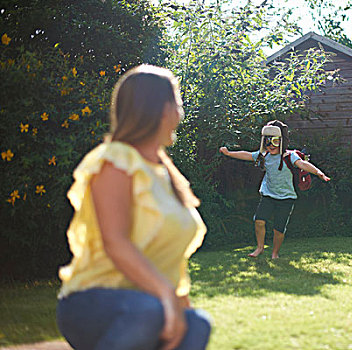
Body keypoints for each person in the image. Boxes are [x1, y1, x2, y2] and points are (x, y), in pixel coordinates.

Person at [56, 65, 211, 350]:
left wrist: (179, 308)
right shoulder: (116, 160)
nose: (181, 112)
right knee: (148, 311)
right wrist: (165, 296)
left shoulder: (165, 174)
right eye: (178, 102)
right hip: (92, 303)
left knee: (197, 325)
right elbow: (115, 242)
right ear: (163, 110)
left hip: (149, 304)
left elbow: (170, 261)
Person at [219, 120, 330, 259]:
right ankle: (260, 248)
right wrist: (229, 153)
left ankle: (275, 253)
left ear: (282, 141)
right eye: (267, 142)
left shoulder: (289, 156)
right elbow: (247, 155)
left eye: (275, 142)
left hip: (286, 197)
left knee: (279, 228)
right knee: (259, 220)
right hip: (268, 194)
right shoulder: (264, 156)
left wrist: (318, 172)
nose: (271, 146)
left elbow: (302, 164)